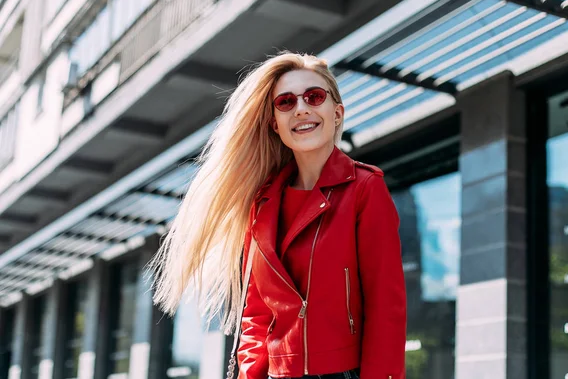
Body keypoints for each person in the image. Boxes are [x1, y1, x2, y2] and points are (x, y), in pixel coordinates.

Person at [149, 52, 406, 379]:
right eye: (285, 102)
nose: (301, 108)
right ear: (275, 124)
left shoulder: (366, 189)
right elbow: (256, 314)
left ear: (337, 113)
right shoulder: (262, 203)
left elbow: (386, 310)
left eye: (314, 97)